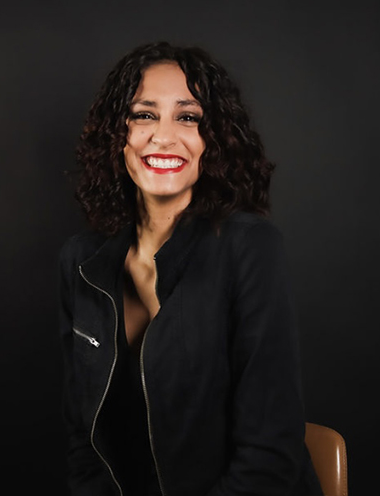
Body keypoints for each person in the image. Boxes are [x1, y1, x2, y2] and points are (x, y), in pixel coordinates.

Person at [58, 41, 323, 496]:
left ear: (213, 140)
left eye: (188, 117)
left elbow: (269, 456)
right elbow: (83, 443)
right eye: (144, 114)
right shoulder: (81, 261)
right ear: (116, 134)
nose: (163, 136)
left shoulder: (249, 247)